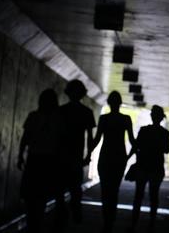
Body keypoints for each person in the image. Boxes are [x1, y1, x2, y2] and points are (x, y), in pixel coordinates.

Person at [17, 89, 64, 233]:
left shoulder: (33, 116)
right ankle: (37, 222)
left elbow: (25, 137)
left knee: (30, 194)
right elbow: (61, 142)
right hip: (49, 160)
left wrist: (20, 155)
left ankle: (32, 222)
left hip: (34, 158)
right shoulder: (58, 119)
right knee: (42, 195)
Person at [90, 91, 135, 233]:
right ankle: (111, 220)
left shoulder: (103, 119)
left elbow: (97, 140)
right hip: (119, 158)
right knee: (114, 190)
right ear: (120, 103)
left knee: (105, 190)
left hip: (105, 157)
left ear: (109, 103)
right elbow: (133, 141)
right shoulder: (126, 119)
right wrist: (129, 156)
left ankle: (106, 220)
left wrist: (86, 153)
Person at [55, 79, 96, 228]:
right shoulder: (87, 112)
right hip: (76, 156)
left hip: (61, 155)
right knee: (75, 186)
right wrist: (88, 156)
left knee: (60, 187)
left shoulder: (60, 111)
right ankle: (75, 208)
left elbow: (56, 134)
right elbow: (90, 137)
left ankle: (62, 213)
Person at [127, 105, 169, 232]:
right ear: (161, 118)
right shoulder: (165, 133)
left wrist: (127, 158)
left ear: (152, 116)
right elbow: (167, 149)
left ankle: (134, 225)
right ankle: (151, 225)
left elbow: (136, 146)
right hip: (156, 168)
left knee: (138, 196)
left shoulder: (144, 130)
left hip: (143, 166)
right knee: (154, 196)